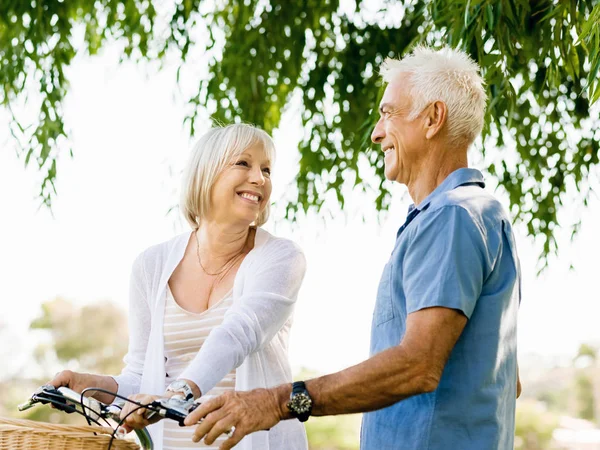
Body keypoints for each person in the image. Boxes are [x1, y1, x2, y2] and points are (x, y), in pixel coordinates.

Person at [185, 46, 523, 450]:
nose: (377, 133)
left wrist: (278, 401)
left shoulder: (451, 217)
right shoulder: (470, 215)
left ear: (433, 119)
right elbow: (506, 377)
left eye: (388, 113)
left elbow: (418, 365)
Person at [49, 123, 309, 450]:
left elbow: (239, 332)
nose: (260, 178)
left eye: (267, 169)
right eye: (244, 163)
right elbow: (142, 376)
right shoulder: (151, 266)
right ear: (206, 173)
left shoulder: (280, 258)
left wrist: (175, 395)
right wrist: (94, 386)